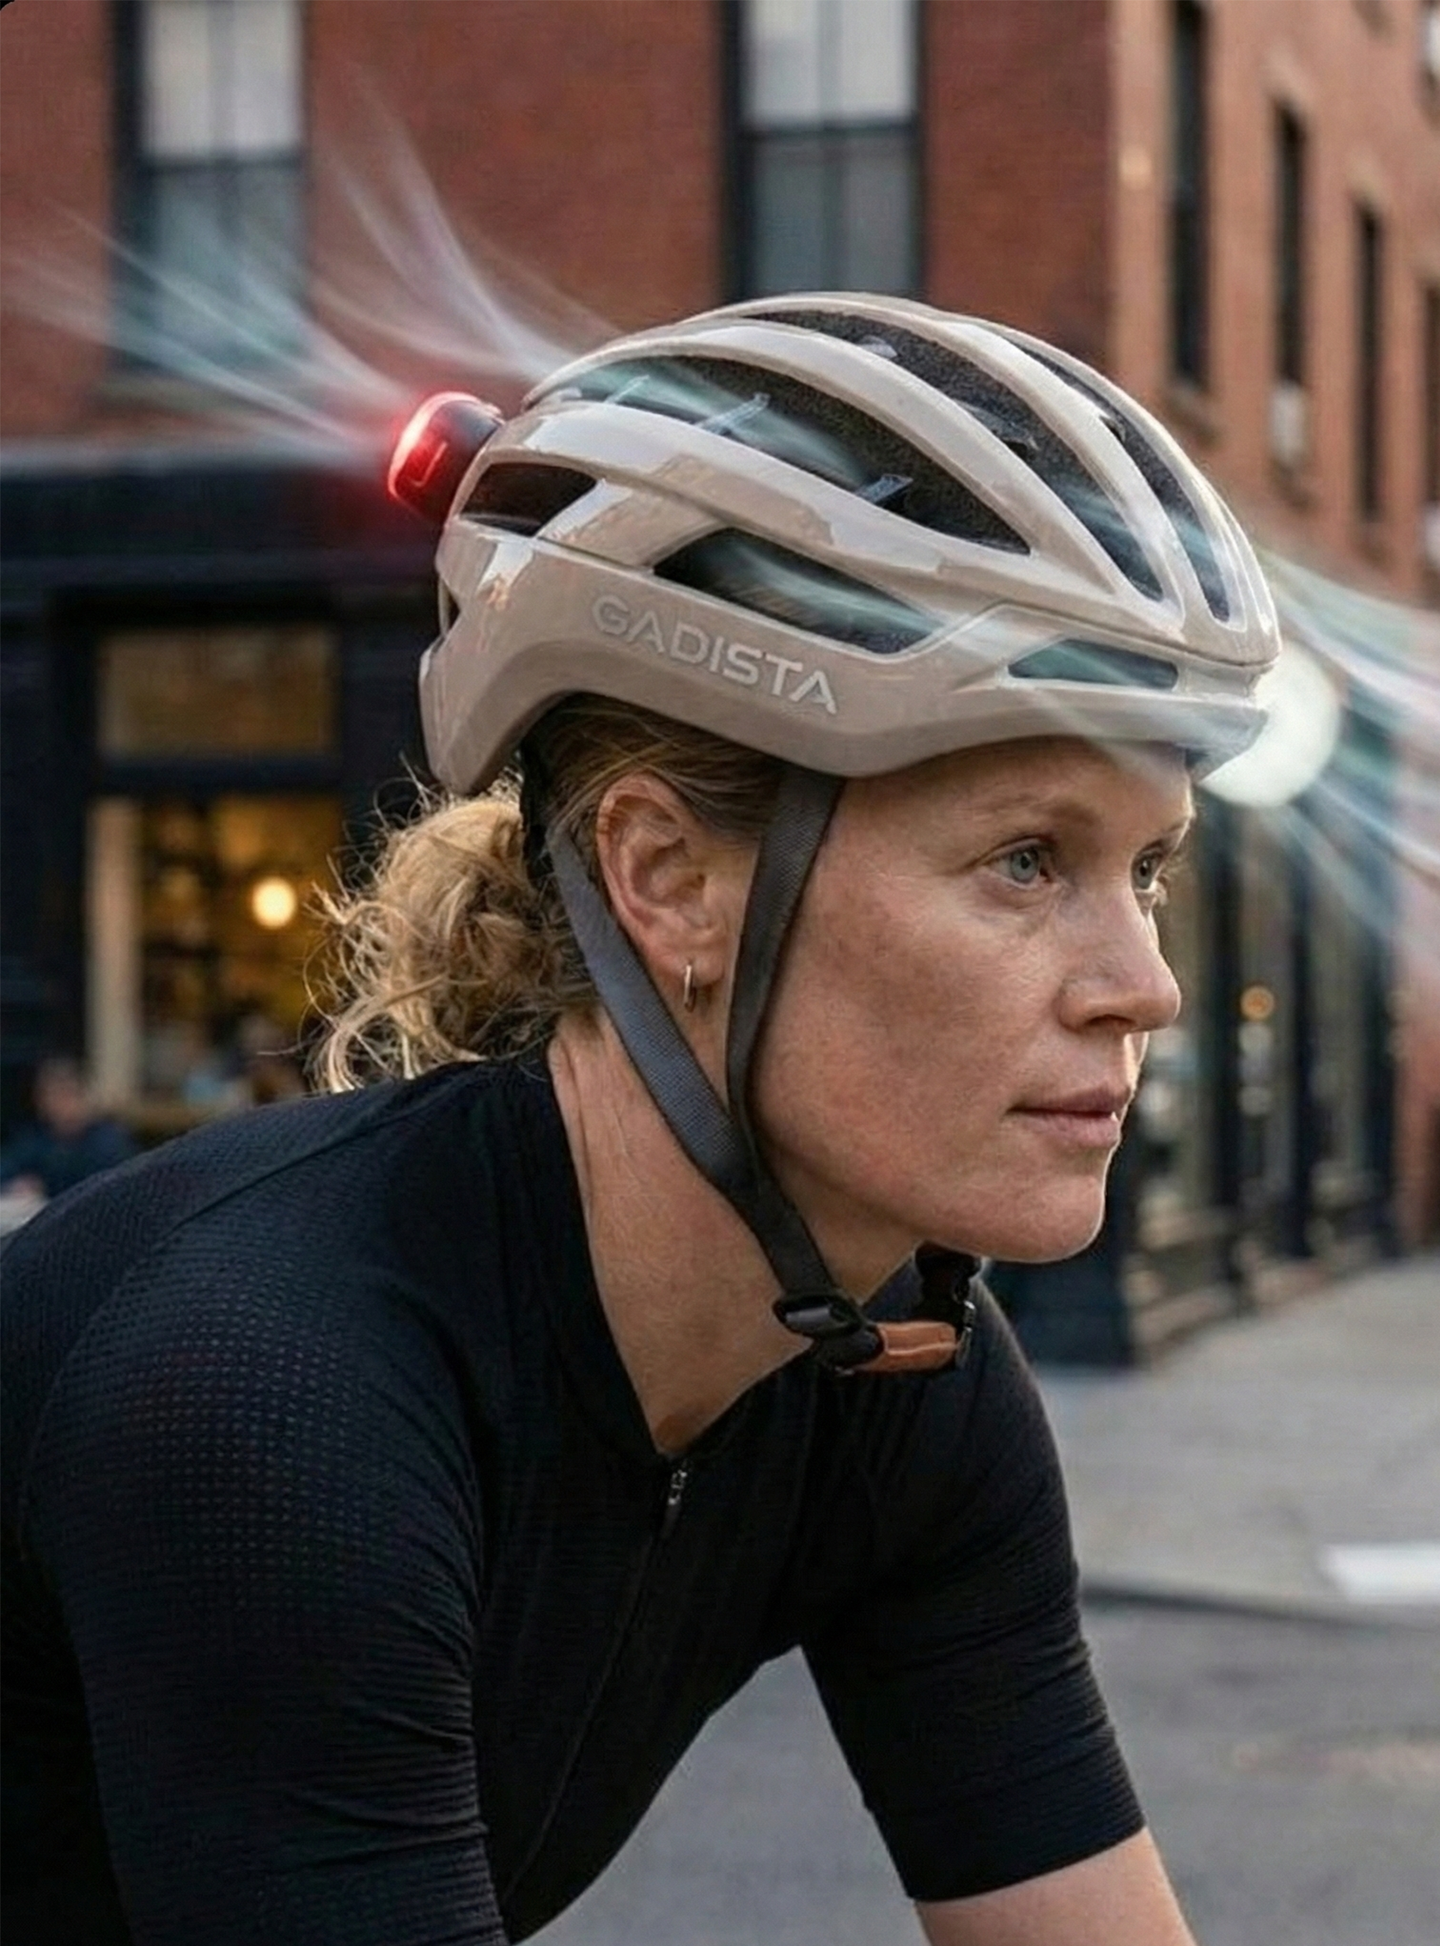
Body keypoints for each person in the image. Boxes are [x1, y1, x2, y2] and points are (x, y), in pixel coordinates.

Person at [1, 296, 1281, 1944]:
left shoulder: (898, 1372)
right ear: (667, 879)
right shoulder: (276, 1390)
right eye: (1025, 860)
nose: (1143, 985)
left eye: (1146, 868)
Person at [0, 1056, 135, 1208]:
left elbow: (113, 1189)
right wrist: (16, 1184)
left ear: (85, 1096)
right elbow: (6, 1167)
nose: (62, 1104)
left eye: (68, 1093)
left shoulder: (109, 1142)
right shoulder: (35, 1138)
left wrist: (47, 1188)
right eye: (52, 1095)